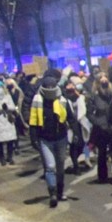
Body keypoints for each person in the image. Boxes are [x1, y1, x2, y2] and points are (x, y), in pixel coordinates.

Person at [29, 76, 71, 207]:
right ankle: (52, 193)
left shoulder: (62, 100)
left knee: (60, 167)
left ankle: (60, 191)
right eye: (49, 86)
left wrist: (77, 135)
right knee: (50, 167)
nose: (51, 89)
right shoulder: (37, 100)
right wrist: (34, 138)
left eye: (53, 86)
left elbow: (71, 118)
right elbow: (33, 122)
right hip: (45, 139)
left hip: (61, 138)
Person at [87, 75, 112, 185]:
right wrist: (98, 122)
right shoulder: (94, 96)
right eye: (101, 79)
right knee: (102, 153)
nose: (104, 81)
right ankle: (102, 176)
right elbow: (89, 114)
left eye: (105, 78)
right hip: (100, 129)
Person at [62, 80, 90, 175]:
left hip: (80, 124)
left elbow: (83, 109)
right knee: (73, 145)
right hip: (71, 125)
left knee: (81, 144)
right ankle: (76, 166)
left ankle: (78, 160)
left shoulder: (79, 98)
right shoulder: (64, 99)